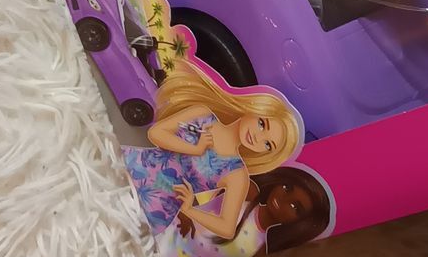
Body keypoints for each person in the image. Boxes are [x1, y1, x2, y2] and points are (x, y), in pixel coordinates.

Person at [123, 61, 302, 239]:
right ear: (255, 107)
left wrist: (189, 209)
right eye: (262, 124)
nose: (257, 137)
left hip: (155, 207)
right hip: (133, 166)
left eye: (268, 144)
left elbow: (227, 228)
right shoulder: (204, 115)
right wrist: (193, 148)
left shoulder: (236, 175)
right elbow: (156, 133)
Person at [158, 165, 333, 257]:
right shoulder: (248, 191)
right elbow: (202, 194)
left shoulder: (259, 250)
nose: (284, 199)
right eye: (287, 188)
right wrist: (186, 212)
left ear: (300, 224)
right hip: (165, 229)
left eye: (295, 207)